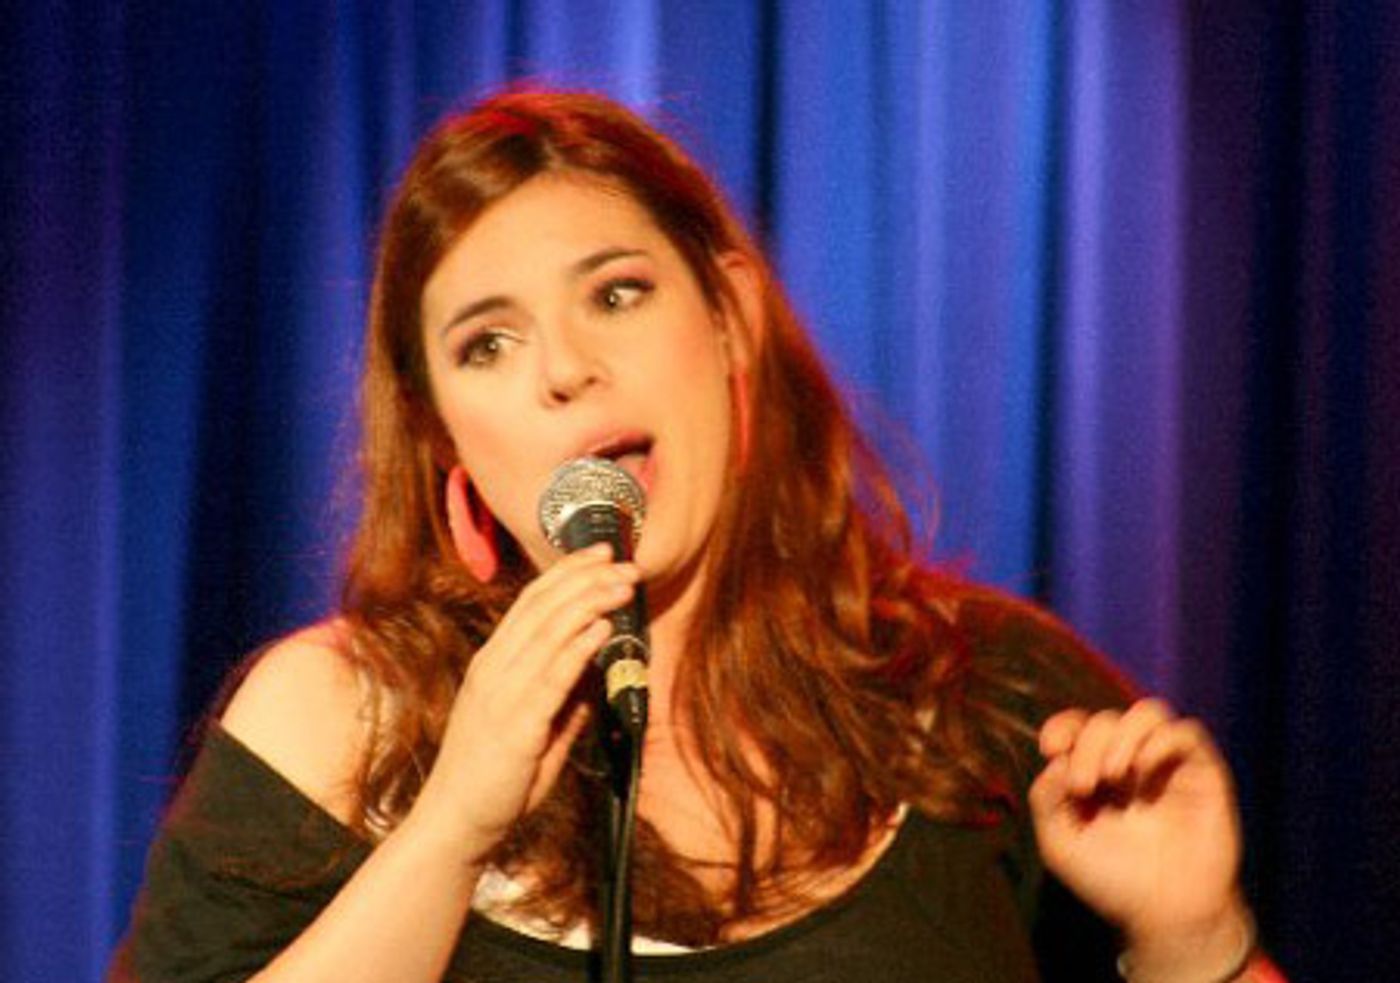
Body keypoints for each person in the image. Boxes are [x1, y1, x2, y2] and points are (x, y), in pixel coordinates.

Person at [111, 89, 1282, 982]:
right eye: (487, 343)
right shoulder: (339, 721)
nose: (566, 368)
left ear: (729, 317)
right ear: (441, 439)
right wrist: (451, 827)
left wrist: (1194, 939)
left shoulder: (985, 693)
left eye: (615, 292)